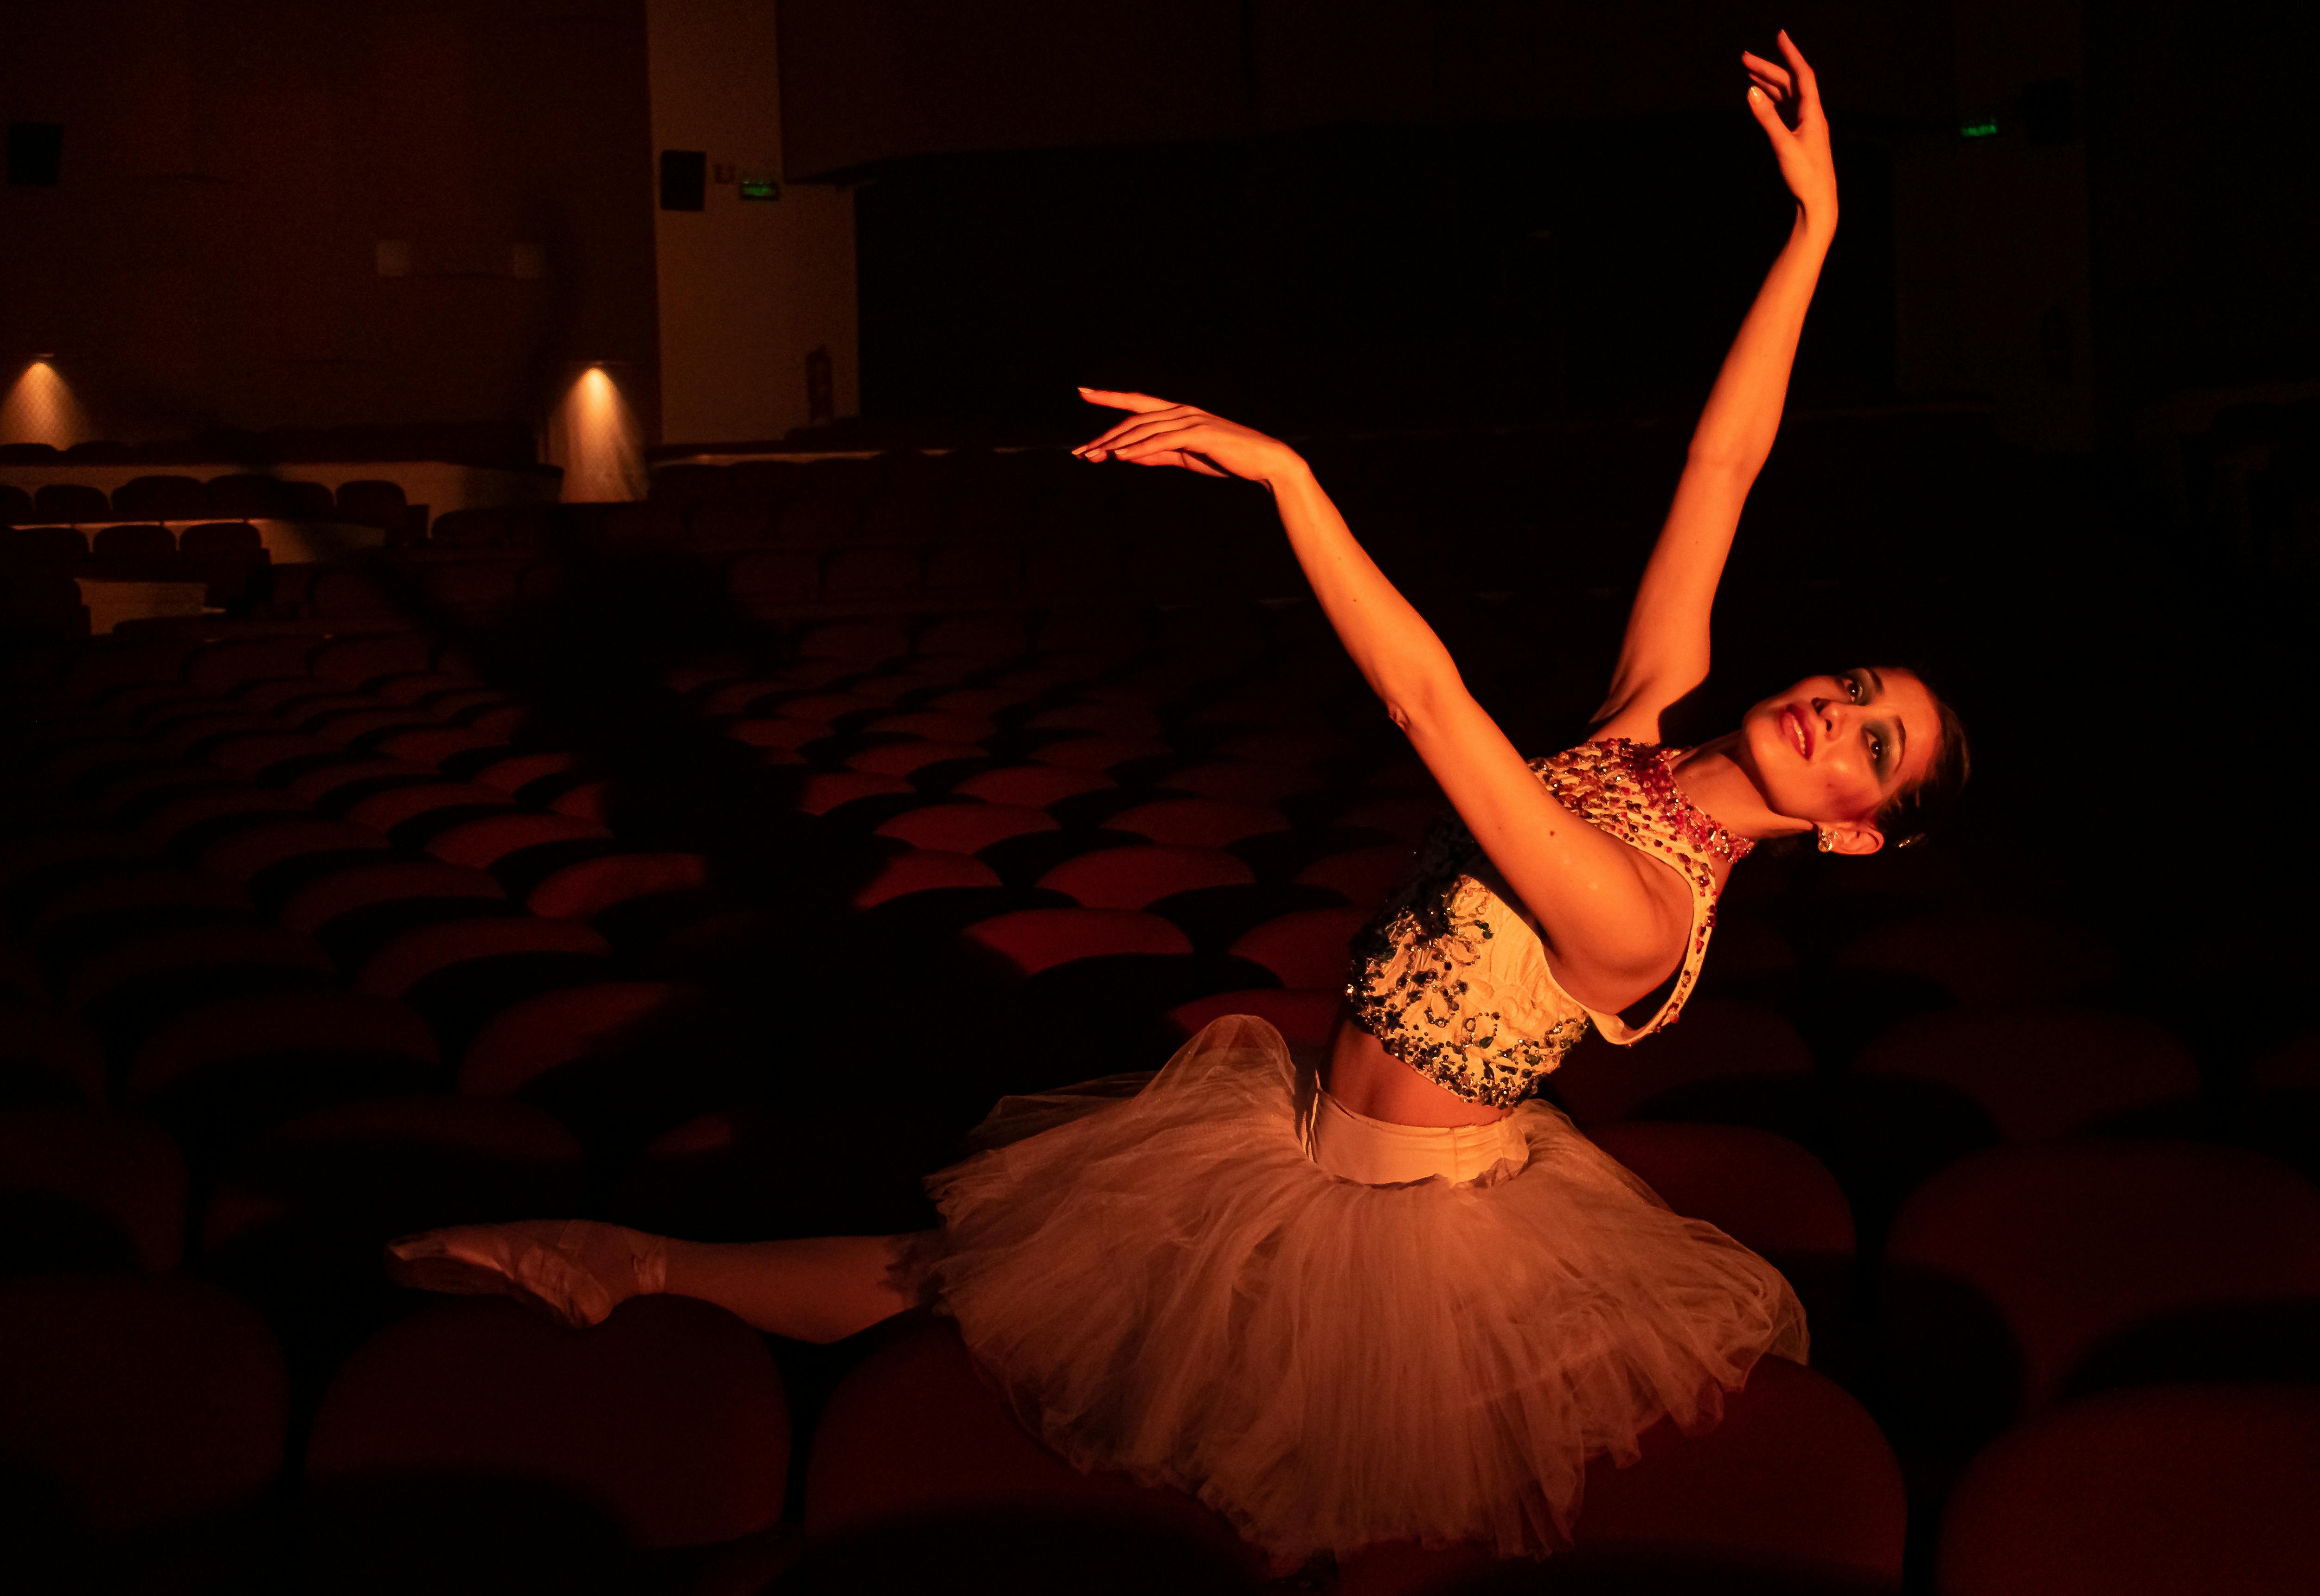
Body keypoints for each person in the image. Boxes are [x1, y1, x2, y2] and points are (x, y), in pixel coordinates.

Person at [389, 32, 1966, 1565]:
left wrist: (1291, 481)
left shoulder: (1641, 915)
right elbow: (1721, 464)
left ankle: (643, 1265)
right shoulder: (1643, 717)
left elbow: (1430, 704)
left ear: (1848, 827)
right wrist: (1818, 224)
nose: (1837, 707)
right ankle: (629, 1261)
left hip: (1405, 1246)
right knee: (964, 1271)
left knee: (1267, 1490)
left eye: (1871, 746)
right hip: (1290, 1145)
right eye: (1857, 686)